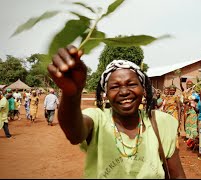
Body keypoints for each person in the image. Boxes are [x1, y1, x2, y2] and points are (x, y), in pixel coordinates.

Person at [47, 45, 186, 179]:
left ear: (143, 89)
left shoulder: (160, 122)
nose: (124, 92)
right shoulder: (97, 120)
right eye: (114, 87)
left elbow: (177, 175)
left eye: (131, 84)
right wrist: (72, 93)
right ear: (105, 94)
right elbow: (74, 133)